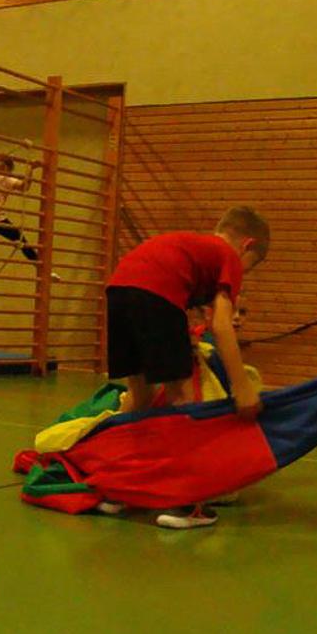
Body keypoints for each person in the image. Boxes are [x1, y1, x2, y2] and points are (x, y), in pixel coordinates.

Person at [105, 206, 269, 528]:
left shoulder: (195, 248)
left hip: (119, 289)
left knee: (139, 397)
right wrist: (242, 387)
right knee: (182, 398)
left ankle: (115, 489)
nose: (245, 272)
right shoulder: (228, 255)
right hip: (155, 293)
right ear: (247, 245)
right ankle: (186, 504)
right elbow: (221, 325)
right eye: (252, 264)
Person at [0, 154, 44, 292]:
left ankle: (42, 268)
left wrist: (30, 169)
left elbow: (24, 186)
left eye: (5, 166)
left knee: (21, 239)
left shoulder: (8, 180)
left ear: (9, 169)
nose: (1, 167)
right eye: (0, 164)